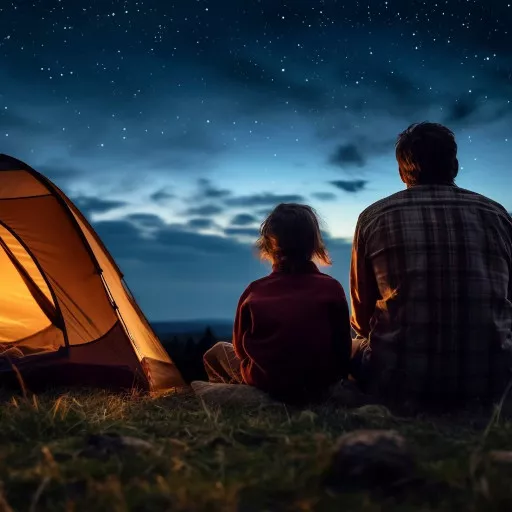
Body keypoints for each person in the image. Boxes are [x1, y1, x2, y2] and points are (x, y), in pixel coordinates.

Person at [350, 121, 512, 407]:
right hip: (492, 379)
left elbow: (361, 319)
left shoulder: (373, 218)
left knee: (351, 348)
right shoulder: (497, 215)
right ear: (455, 165)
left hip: (398, 381)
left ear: (402, 171)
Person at [203, 203, 352, 403]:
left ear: (268, 245)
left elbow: (239, 349)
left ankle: (238, 397)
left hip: (266, 381)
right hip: (320, 383)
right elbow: (342, 348)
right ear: (313, 244)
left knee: (216, 352)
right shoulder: (332, 288)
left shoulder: (254, 292)